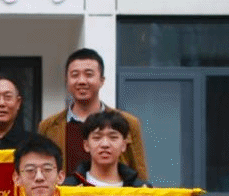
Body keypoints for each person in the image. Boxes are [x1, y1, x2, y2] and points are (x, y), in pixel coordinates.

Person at [38, 48, 148, 180]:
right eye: (75, 75)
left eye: (89, 75)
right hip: (65, 193)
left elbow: (139, 175)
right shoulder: (48, 127)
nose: (81, 81)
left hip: (114, 192)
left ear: (102, 80)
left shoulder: (128, 123)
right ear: (67, 81)